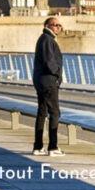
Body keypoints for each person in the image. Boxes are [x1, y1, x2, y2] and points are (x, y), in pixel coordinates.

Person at [32, 17, 64, 157]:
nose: (58, 27)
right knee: (55, 113)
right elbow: (49, 60)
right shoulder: (47, 39)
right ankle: (53, 147)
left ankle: (38, 147)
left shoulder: (45, 39)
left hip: (43, 81)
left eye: (59, 25)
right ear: (47, 26)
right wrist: (57, 73)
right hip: (48, 82)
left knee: (42, 113)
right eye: (55, 25)